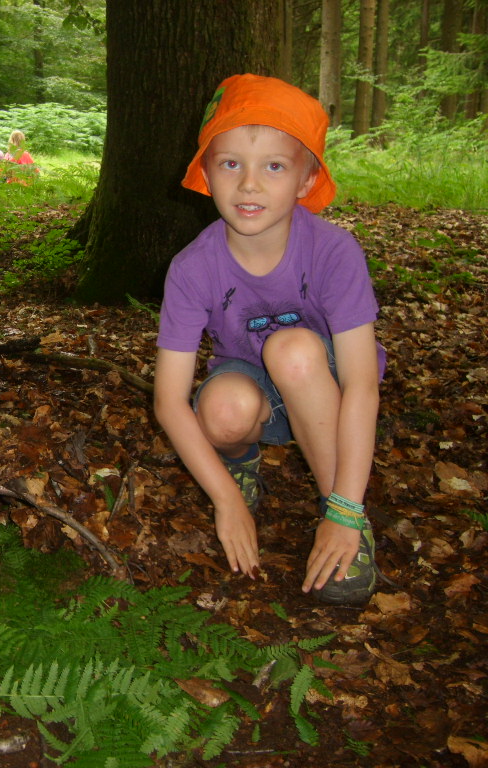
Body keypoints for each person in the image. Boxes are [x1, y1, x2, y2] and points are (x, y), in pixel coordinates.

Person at [153, 74, 385, 606]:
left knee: (293, 349)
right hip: (252, 383)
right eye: (230, 163)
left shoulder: (334, 252)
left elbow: (361, 384)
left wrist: (346, 508)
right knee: (223, 410)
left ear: (306, 180)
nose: (249, 185)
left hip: (322, 385)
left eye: (273, 167)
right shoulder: (192, 268)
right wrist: (225, 498)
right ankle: (242, 465)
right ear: (206, 173)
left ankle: (346, 517)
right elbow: (169, 400)